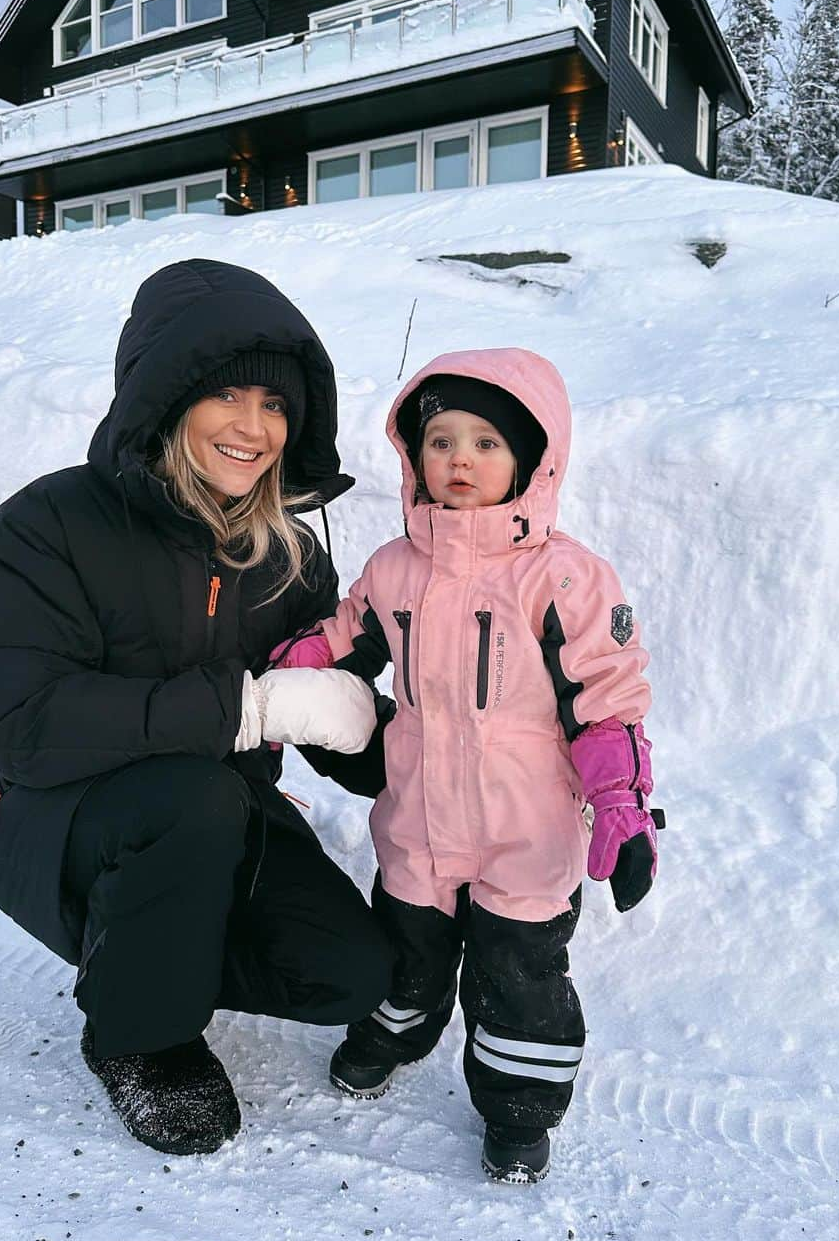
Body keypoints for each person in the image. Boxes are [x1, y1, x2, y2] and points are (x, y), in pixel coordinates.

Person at [0, 259, 394, 1157]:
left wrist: (454, 750)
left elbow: (330, 711)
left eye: (274, 403)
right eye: (226, 394)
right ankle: (135, 1031)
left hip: (208, 822)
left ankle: (151, 951)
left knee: (347, 972)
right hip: (34, 806)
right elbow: (16, 715)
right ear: (168, 396)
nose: (253, 427)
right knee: (195, 799)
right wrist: (245, 712)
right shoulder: (57, 521)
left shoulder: (292, 556)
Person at [272, 349, 661, 1183]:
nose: (459, 460)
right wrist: (288, 669)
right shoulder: (394, 567)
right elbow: (347, 639)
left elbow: (608, 703)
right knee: (405, 936)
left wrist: (622, 805)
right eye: (440, 440)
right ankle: (397, 1027)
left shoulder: (566, 579)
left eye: (487, 442)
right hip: (418, 814)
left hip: (526, 826)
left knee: (519, 973)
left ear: (532, 458)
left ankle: (519, 1105)